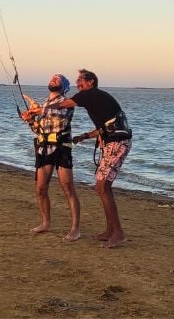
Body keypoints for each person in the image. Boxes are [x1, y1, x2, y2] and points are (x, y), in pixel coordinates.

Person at [53, 69, 132, 248]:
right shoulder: (96, 98)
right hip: (117, 141)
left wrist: (43, 106)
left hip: (117, 143)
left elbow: (63, 104)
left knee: (101, 187)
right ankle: (111, 230)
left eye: (81, 80)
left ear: (91, 82)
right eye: (77, 80)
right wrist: (84, 136)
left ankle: (119, 233)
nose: (77, 82)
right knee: (105, 188)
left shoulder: (89, 94)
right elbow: (106, 127)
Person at [19, 74, 81, 242]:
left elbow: (57, 111)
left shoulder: (66, 102)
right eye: (52, 77)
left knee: (68, 188)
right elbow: (39, 130)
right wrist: (30, 120)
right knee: (40, 188)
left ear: (64, 86)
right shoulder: (44, 104)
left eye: (58, 78)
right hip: (44, 149)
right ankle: (46, 223)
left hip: (62, 149)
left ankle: (75, 229)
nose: (53, 79)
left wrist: (38, 110)